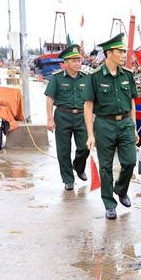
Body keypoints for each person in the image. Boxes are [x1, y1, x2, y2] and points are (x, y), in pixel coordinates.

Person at [84, 33, 138, 220]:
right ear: (109, 54)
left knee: (130, 161)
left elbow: (131, 101)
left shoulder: (128, 75)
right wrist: (90, 134)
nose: (123, 54)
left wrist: (133, 126)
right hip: (104, 124)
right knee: (105, 166)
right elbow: (88, 105)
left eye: (124, 51)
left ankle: (121, 189)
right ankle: (109, 203)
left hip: (124, 123)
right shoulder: (95, 76)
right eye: (119, 51)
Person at [44, 44, 90, 190]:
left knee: (85, 147)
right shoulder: (56, 78)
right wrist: (50, 119)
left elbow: (91, 100)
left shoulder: (86, 78)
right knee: (63, 150)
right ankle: (68, 179)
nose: (78, 63)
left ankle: (79, 166)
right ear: (66, 63)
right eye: (74, 60)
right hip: (62, 116)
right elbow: (50, 98)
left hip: (82, 116)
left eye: (79, 60)